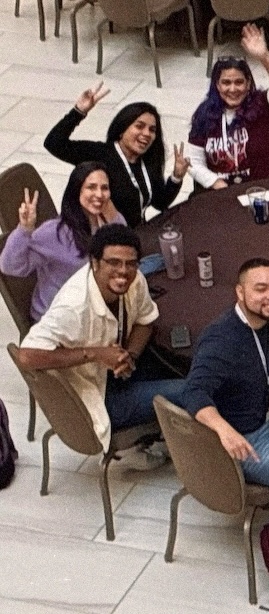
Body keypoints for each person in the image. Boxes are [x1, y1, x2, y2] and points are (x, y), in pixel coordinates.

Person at [16, 224, 185, 466]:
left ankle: (160, 435)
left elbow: (146, 322)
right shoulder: (73, 307)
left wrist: (130, 355)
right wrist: (94, 354)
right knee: (190, 390)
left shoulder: (134, 281)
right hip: (95, 394)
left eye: (130, 263)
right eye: (113, 263)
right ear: (95, 263)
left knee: (184, 366)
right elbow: (27, 356)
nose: (123, 271)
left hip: (115, 374)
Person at [182, 258, 269, 523]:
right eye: (261, 289)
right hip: (246, 434)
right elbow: (194, 393)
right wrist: (225, 432)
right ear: (240, 292)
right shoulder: (221, 340)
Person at [44, 83, 186, 226]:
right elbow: (54, 144)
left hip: (138, 233)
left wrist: (176, 177)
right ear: (122, 129)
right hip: (103, 238)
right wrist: (78, 111)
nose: (146, 134)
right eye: (139, 126)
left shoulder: (148, 161)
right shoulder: (100, 154)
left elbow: (159, 203)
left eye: (152, 130)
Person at [1, 162, 125, 320]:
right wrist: (24, 229)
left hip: (93, 306)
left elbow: (123, 242)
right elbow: (9, 267)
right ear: (76, 191)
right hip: (57, 319)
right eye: (91, 187)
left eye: (104, 188)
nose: (99, 194)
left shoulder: (104, 220)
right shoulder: (54, 232)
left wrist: (112, 215)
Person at [186, 24, 269, 189]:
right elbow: (194, 162)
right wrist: (217, 184)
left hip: (268, 191)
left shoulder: (265, 105)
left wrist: (264, 56)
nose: (233, 89)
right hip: (223, 196)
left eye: (239, 82)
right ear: (217, 85)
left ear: (248, 83)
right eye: (226, 83)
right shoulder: (203, 115)